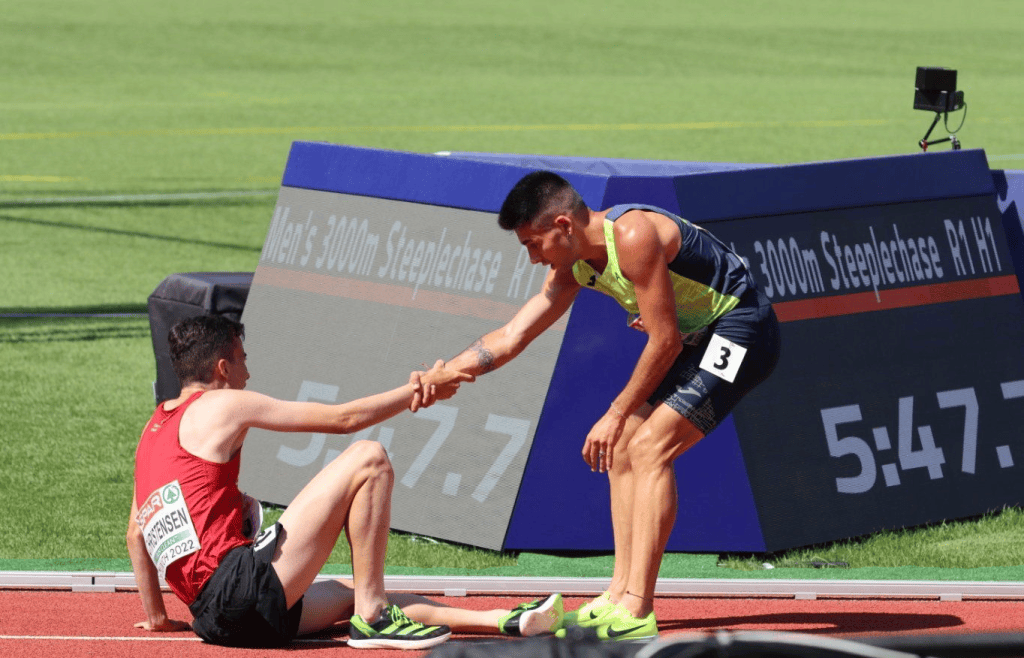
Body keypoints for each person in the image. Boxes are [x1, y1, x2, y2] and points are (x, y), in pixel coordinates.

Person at [442, 171, 781, 642]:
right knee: (624, 446)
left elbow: (662, 342)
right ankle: (618, 596)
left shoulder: (633, 235)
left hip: (743, 329)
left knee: (648, 447)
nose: (532, 257)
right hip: (697, 335)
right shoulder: (575, 264)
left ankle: (638, 609)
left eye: (533, 244)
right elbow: (514, 335)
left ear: (563, 224)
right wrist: (449, 372)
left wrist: (615, 410)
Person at [127, 314, 564, 649]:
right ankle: (373, 620)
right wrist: (422, 389)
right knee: (368, 458)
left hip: (215, 619)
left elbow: (136, 533)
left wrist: (158, 617)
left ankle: (501, 619)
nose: (248, 373)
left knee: (353, 588)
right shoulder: (224, 405)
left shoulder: (151, 433)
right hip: (239, 590)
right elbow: (344, 419)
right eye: (243, 360)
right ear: (222, 368)